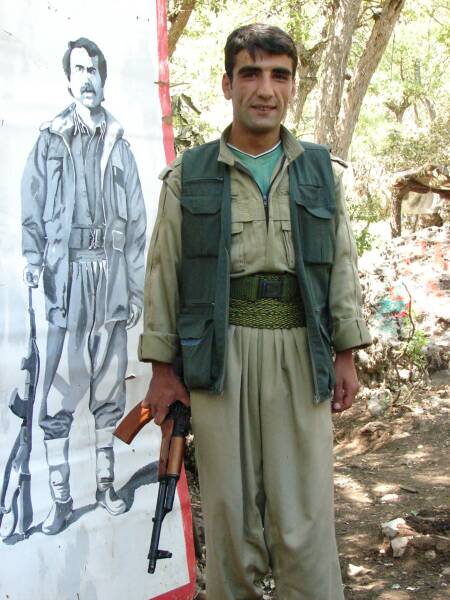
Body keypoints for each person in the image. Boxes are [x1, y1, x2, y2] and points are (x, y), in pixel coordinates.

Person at [139, 24, 371, 600]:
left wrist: (346, 353)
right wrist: (163, 370)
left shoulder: (320, 171)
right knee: (231, 516)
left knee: (304, 518)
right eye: (250, 74)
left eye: (279, 75)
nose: (265, 89)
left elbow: (341, 263)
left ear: (293, 85)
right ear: (227, 84)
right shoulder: (190, 174)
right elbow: (164, 271)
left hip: (301, 351)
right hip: (221, 356)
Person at [22, 37, 146, 534]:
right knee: (58, 392)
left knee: (110, 386)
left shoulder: (120, 143)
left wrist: (134, 289)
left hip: (110, 277)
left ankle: (105, 485)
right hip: (67, 276)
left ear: (103, 77)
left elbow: (137, 224)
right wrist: (34, 258)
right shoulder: (50, 140)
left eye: (94, 69)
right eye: (79, 69)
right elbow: (32, 204)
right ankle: (59, 500)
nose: (87, 77)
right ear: (68, 79)